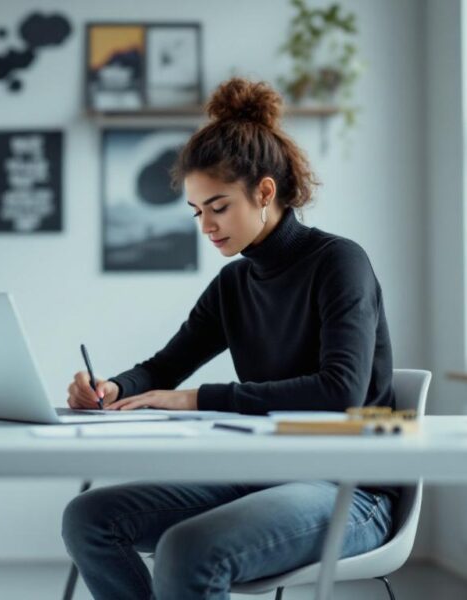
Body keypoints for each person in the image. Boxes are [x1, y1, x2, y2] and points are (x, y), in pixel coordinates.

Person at [61, 77, 396, 600]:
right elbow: (163, 367)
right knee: (89, 517)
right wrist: (113, 389)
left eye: (218, 207)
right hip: (269, 474)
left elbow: (342, 391)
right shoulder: (235, 284)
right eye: (197, 212)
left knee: (188, 548)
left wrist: (198, 398)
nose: (206, 227)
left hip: (352, 486)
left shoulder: (338, 262)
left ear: (264, 192)